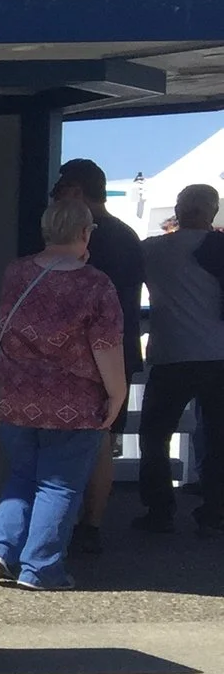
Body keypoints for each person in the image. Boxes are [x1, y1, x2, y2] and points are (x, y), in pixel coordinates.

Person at [0, 194, 127, 591]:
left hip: (15, 397)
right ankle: (41, 568)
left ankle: (0, 549)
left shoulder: (17, 273)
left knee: (21, 477)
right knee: (58, 485)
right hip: (73, 403)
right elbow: (105, 345)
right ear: (84, 232)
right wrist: (117, 393)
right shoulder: (95, 284)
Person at [49, 160, 141, 555]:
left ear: (76, 191)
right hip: (118, 352)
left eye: (60, 190)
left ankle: (76, 525)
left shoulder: (91, 241)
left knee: (82, 442)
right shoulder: (128, 236)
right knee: (103, 439)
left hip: (82, 357)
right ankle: (92, 523)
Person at [135, 182, 224, 537]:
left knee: (154, 436)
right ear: (212, 212)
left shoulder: (152, 250)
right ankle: (215, 511)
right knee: (219, 437)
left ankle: (159, 511)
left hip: (171, 356)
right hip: (219, 357)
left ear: (179, 208)